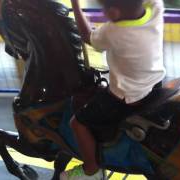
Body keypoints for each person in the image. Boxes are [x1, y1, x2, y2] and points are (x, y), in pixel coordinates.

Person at [60, 0, 165, 179]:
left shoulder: (113, 31)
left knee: (77, 123)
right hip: (155, 84)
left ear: (114, 12)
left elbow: (87, 36)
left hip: (126, 97)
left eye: (104, 9)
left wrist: (75, 5)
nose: (103, 12)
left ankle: (91, 169)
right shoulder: (155, 8)